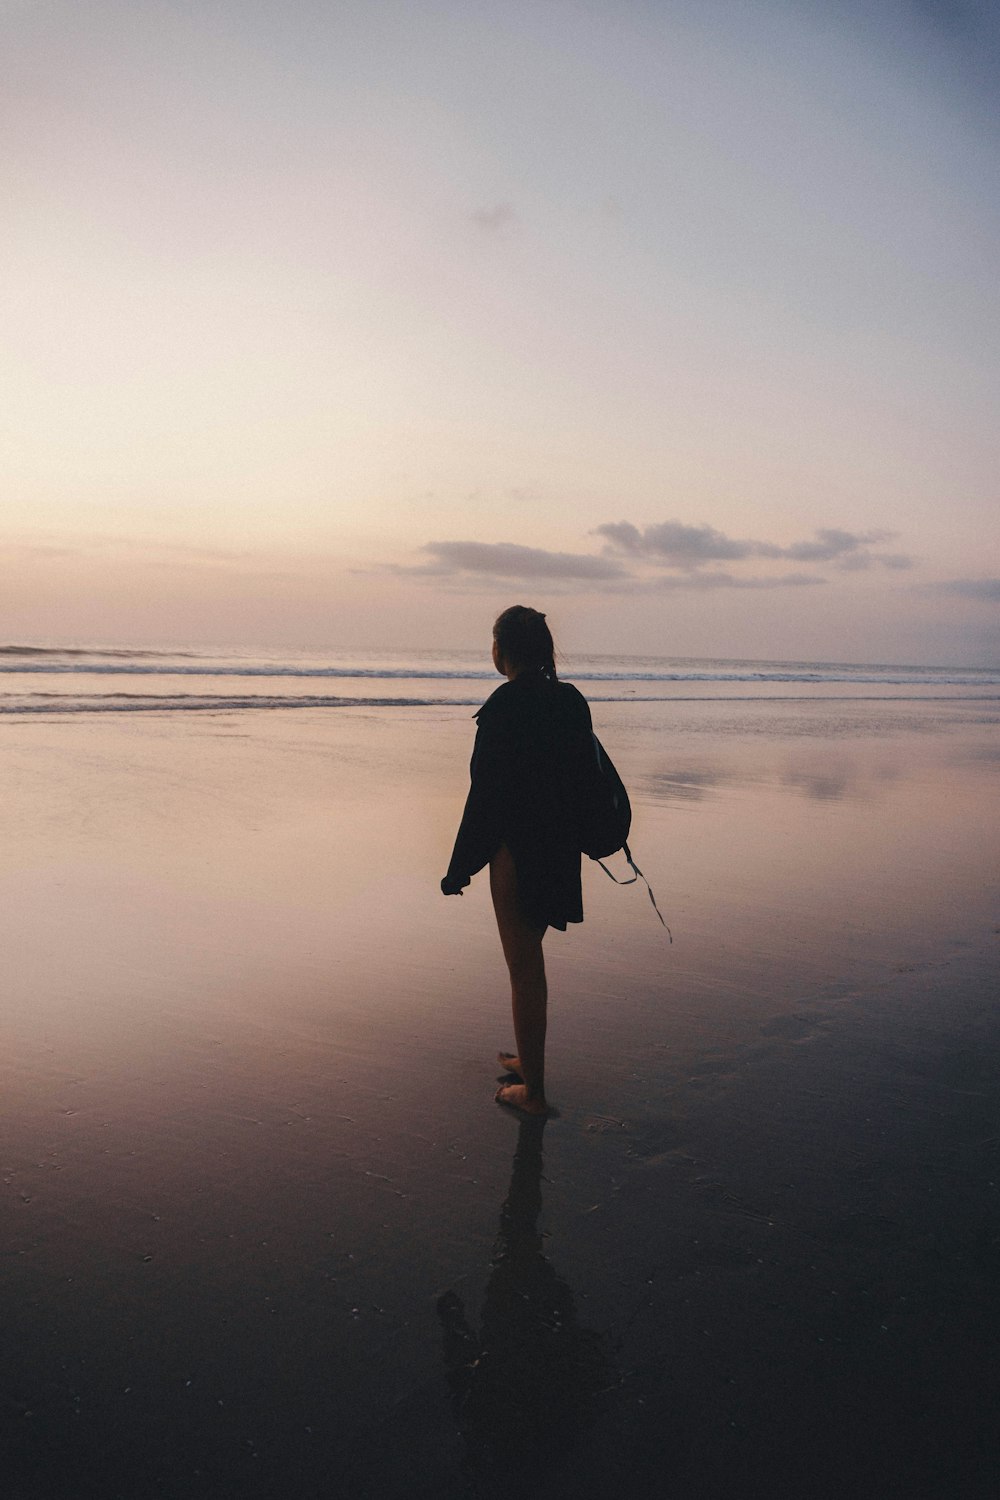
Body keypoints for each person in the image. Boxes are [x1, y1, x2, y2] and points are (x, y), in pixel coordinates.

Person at [441, 606, 595, 1116]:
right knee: (530, 962)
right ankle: (530, 1062)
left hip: (518, 854)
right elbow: (581, 779)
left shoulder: (503, 707)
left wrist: (460, 867)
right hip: (559, 848)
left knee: (524, 968)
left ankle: (535, 1093)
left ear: (501, 651)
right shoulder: (570, 701)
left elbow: (485, 798)